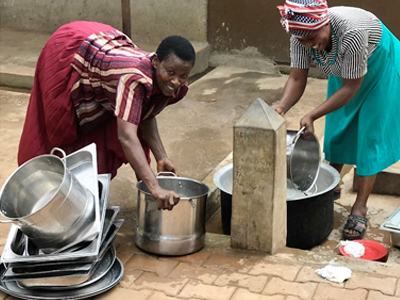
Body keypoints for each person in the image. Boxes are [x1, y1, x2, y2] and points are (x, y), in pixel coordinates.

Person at [18, 21, 196, 211]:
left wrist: (161, 156)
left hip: (106, 46)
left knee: (112, 124)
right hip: (71, 49)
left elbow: (146, 111)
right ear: (155, 62)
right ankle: (50, 198)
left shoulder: (172, 85)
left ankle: (86, 198)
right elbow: (126, 137)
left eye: (183, 76)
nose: (176, 81)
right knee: (61, 129)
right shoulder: (134, 80)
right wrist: (154, 187)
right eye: (170, 73)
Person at [273, 0, 400, 240]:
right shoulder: (301, 35)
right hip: (341, 65)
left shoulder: (352, 33)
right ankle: (333, 180)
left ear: (326, 22)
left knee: (369, 134)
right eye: (304, 42)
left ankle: (360, 207)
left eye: (313, 38)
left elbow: (351, 88)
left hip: (380, 63)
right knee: (339, 125)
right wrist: (281, 106)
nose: (311, 45)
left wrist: (312, 114)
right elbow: (297, 78)